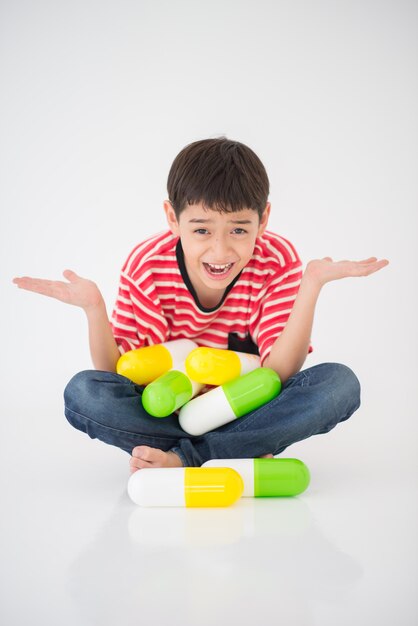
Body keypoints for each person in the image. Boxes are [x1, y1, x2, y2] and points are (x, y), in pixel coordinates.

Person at [13, 137, 388, 471]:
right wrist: (94, 309)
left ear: (264, 220)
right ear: (172, 219)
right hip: (170, 413)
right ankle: (238, 451)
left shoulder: (277, 259)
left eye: (239, 229)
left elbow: (280, 372)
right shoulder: (148, 265)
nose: (220, 250)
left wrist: (312, 285)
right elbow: (120, 375)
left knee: (339, 384)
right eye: (202, 229)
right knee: (84, 393)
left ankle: (184, 458)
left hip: (250, 410)